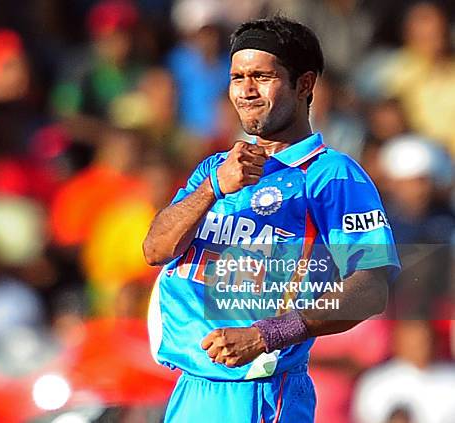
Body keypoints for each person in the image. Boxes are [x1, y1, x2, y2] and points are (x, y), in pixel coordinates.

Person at [143, 16, 400, 422]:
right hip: (191, 389)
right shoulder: (216, 168)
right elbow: (155, 249)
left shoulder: (332, 175)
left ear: (304, 85)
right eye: (237, 77)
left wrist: (268, 335)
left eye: (262, 76)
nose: (245, 90)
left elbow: (370, 287)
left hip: (262, 392)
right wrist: (213, 187)